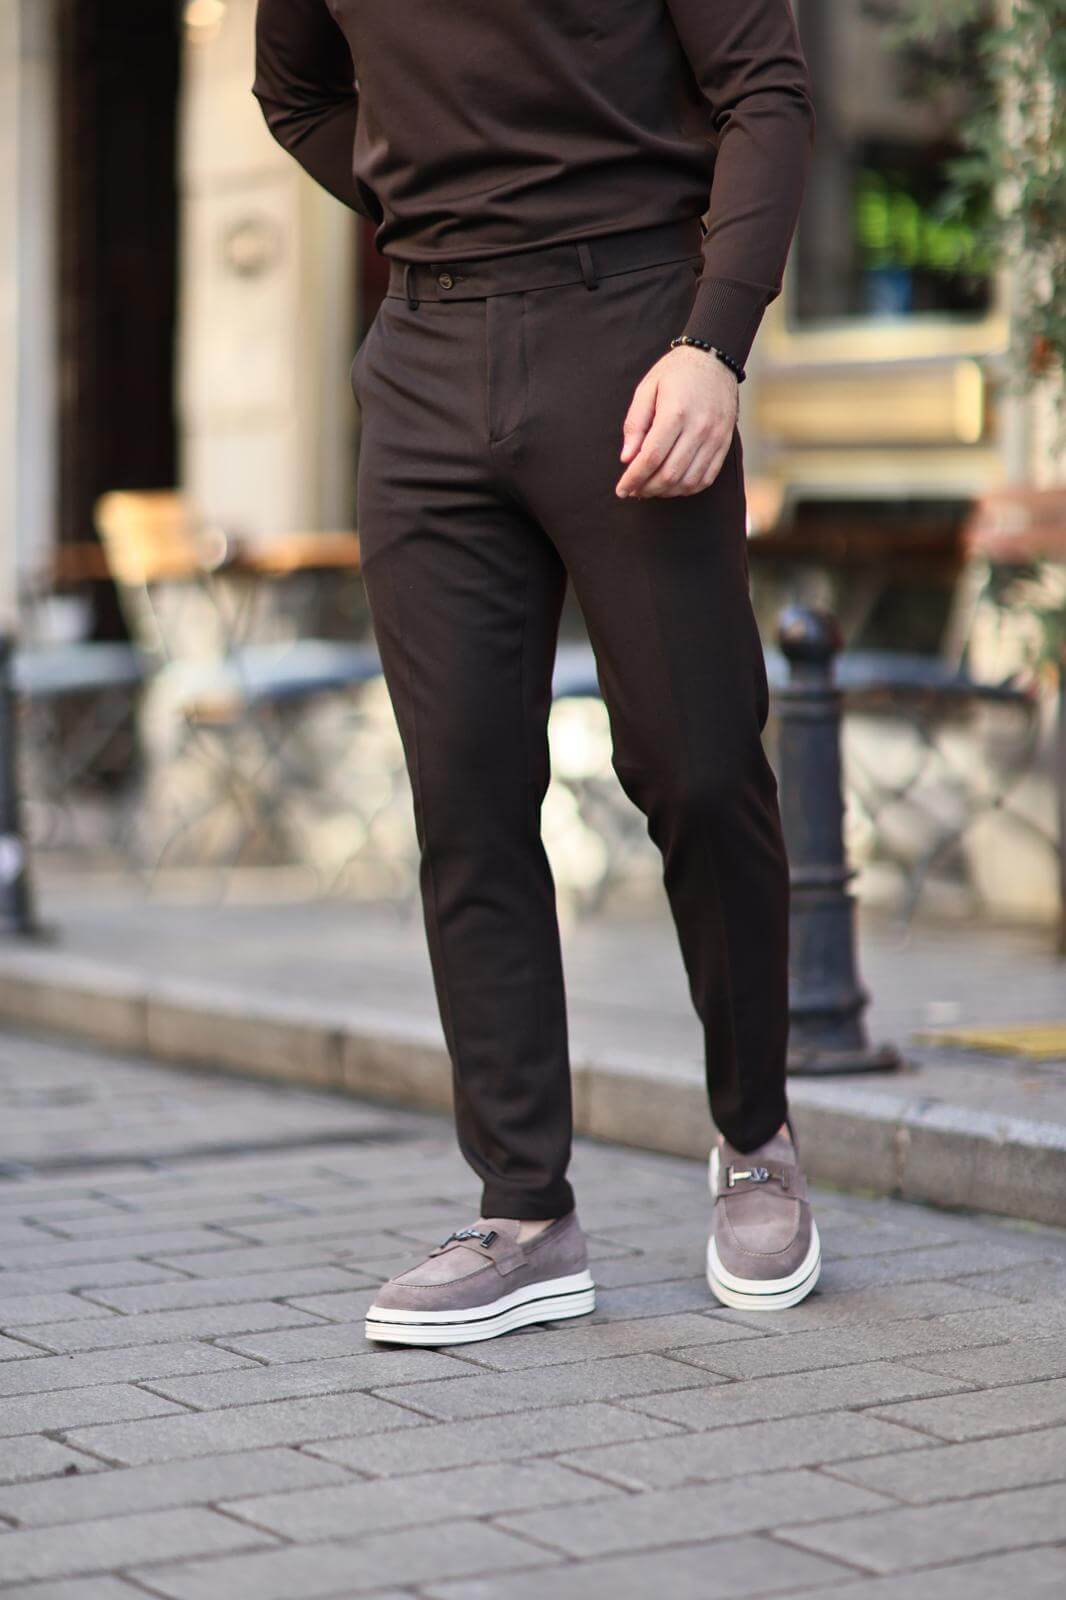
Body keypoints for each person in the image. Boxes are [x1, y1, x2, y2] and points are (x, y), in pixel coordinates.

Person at [253, 0, 821, 1346]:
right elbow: (296, 95)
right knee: (464, 794)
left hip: (635, 328)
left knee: (695, 766)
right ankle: (523, 1214)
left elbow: (767, 94)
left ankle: (755, 1143)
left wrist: (713, 340)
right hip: (424, 353)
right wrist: (427, 197)